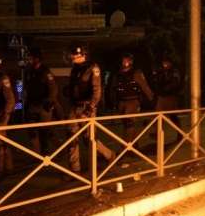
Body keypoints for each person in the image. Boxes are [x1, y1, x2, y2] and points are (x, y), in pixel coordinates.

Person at [63, 42, 116, 180]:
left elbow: (97, 92)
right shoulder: (74, 69)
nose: (71, 56)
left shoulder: (93, 68)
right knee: (71, 137)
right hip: (75, 107)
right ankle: (75, 170)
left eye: (74, 53)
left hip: (87, 107)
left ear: (82, 54)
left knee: (89, 140)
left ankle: (110, 155)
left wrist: (90, 109)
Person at [23, 47, 64, 155]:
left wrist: (48, 102)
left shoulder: (45, 72)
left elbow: (53, 89)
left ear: (37, 59)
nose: (28, 61)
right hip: (32, 106)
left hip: (43, 106)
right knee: (32, 131)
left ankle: (58, 147)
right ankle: (36, 154)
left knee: (45, 131)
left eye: (30, 58)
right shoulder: (29, 73)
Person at [110, 52, 154, 143]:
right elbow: (113, 88)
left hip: (133, 101)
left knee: (128, 121)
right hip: (121, 102)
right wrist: (113, 100)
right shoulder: (117, 75)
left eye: (127, 60)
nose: (125, 62)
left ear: (131, 62)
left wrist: (151, 98)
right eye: (124, 60)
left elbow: (144, 86)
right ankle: (134, 144)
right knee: (127, 124)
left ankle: (126, 146)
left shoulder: (136, 73)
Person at [152, 56, 183, 142]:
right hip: (162, 97)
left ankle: (180, 133)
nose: (164, 64)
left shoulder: (173, 72)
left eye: (166, 62)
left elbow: (175, 82)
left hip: (170, 97)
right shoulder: (161, 72)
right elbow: (157, 81)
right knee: (158, 115)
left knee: (173, 117)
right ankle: (157, 134)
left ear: (170, 63)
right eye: (163, 62)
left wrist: (167, 87)